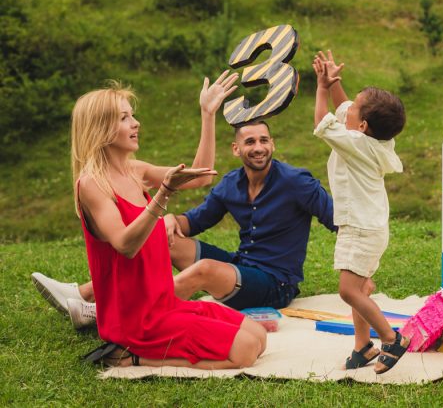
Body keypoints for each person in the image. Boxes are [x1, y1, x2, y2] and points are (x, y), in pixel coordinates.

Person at [33, 120, 338, 328]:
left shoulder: (297, 182)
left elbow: (338, 222)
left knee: (203, 270)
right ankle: (83, 294)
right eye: (249, 141)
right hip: (242, 267)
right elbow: (193, 222)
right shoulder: (230, 184)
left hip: (276, 285)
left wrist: (359, 274)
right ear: (236, 149)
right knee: (160, 237)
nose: (258, 147)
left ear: (272, 144)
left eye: (263, 140)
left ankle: (119, 314)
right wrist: (168, 219)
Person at [61, 75, 266, 369]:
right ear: (101, 129)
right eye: (124, 118)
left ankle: (144, 351)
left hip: (164, 305)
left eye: (132, 116)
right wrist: (163, 195)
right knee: (245, 351)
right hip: (135, 321)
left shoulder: (135, 170)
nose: (136, 124)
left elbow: (203, 175)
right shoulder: (92, 184)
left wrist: (207, 115)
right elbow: (125, 245)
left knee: (258, 336)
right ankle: (128, 356)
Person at [312, 50, 410, 374]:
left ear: (362, 124)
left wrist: (322, 87)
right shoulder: (376, 139)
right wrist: (336, 82)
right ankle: (362, 346)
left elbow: (323, 123)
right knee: (361, 288)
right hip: (369, 225)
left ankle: (391, 338)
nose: (347, 108)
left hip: (360, 227)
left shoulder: (355, 143)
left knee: (348, 290)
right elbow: (343, 112)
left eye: (354, 106)